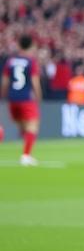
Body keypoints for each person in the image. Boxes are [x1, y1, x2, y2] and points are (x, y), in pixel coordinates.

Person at [2, 34, 43, 165]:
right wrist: (38, 96)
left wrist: (3, 95)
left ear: (19, 45)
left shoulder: (10, 61)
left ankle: (23, 147)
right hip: (25, 98)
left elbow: (5, 82)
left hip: (12, 98)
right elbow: (35, 82)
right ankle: (26, 156)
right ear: (31, 46)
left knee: (23, 126)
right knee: (33, 125)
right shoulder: (31, 62)